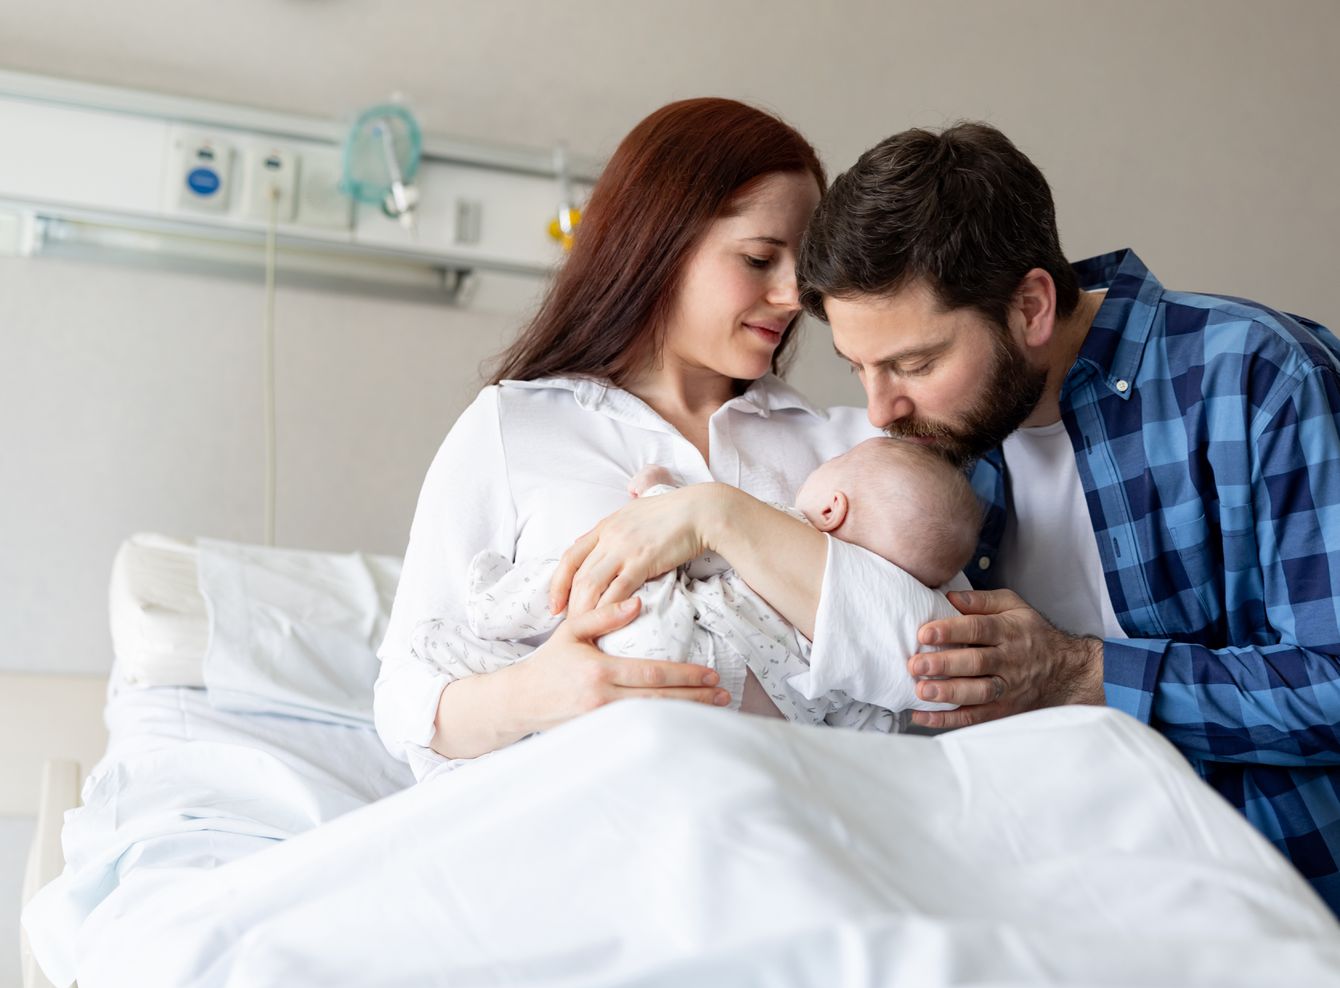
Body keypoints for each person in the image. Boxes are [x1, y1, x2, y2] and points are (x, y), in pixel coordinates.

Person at [552, 121, 1340, 914]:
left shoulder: (1254, 381)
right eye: (859, 367)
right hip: (1041, 891)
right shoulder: (924, 447)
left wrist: (1081, 672)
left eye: (915, 364)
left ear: (1031, 306)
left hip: (1264, 891)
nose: (880, 409)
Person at [373, 98, 941, 781]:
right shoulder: (512, 430)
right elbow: (404, 702)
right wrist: (539, 693)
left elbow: (932, 664)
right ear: (660, 244)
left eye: (804, 264)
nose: (795, 296)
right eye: (761, 258)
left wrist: (723, 518)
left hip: (801, 816)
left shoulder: (848, 453)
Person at [407, 436, 979, 754]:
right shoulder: (510, 427)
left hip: (670, 635)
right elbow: (875, 733)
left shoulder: (787, 527)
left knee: (613, 566)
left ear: (833, 508)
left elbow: (688, 544)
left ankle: (494, 606)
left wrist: (664, 495)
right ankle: (506, 661)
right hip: (733, 715)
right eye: (757, 259)